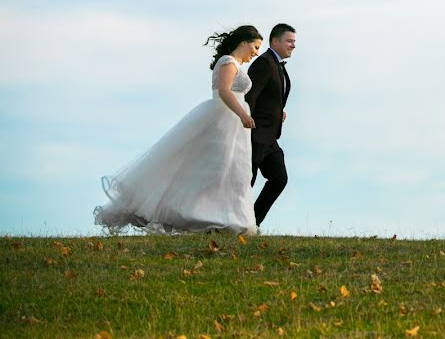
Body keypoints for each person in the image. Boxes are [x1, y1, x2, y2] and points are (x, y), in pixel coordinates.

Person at [94, 25, 263, 235]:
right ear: (244, 42)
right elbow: (224, 91)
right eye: (255, 47)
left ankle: (231, 219)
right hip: (224, 121)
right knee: (216, 170)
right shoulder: (228, 62)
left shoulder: (236, 64)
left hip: (234, 126)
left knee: (235, 172)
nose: (256, 53)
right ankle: (203, 216)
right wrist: (243, 114)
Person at [245, 23, 296, 227]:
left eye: (294, 42)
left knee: (279, 179)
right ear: (275, 41)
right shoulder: (264, 63)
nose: (293, 45)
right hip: (256, 135)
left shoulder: (277, 65)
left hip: (270, 137)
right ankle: (235, 223)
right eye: (289, 41)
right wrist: (247, 128)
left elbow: (270, 97)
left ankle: (253, 222)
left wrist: (277, 113)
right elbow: (249, 97)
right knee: (246, 183)